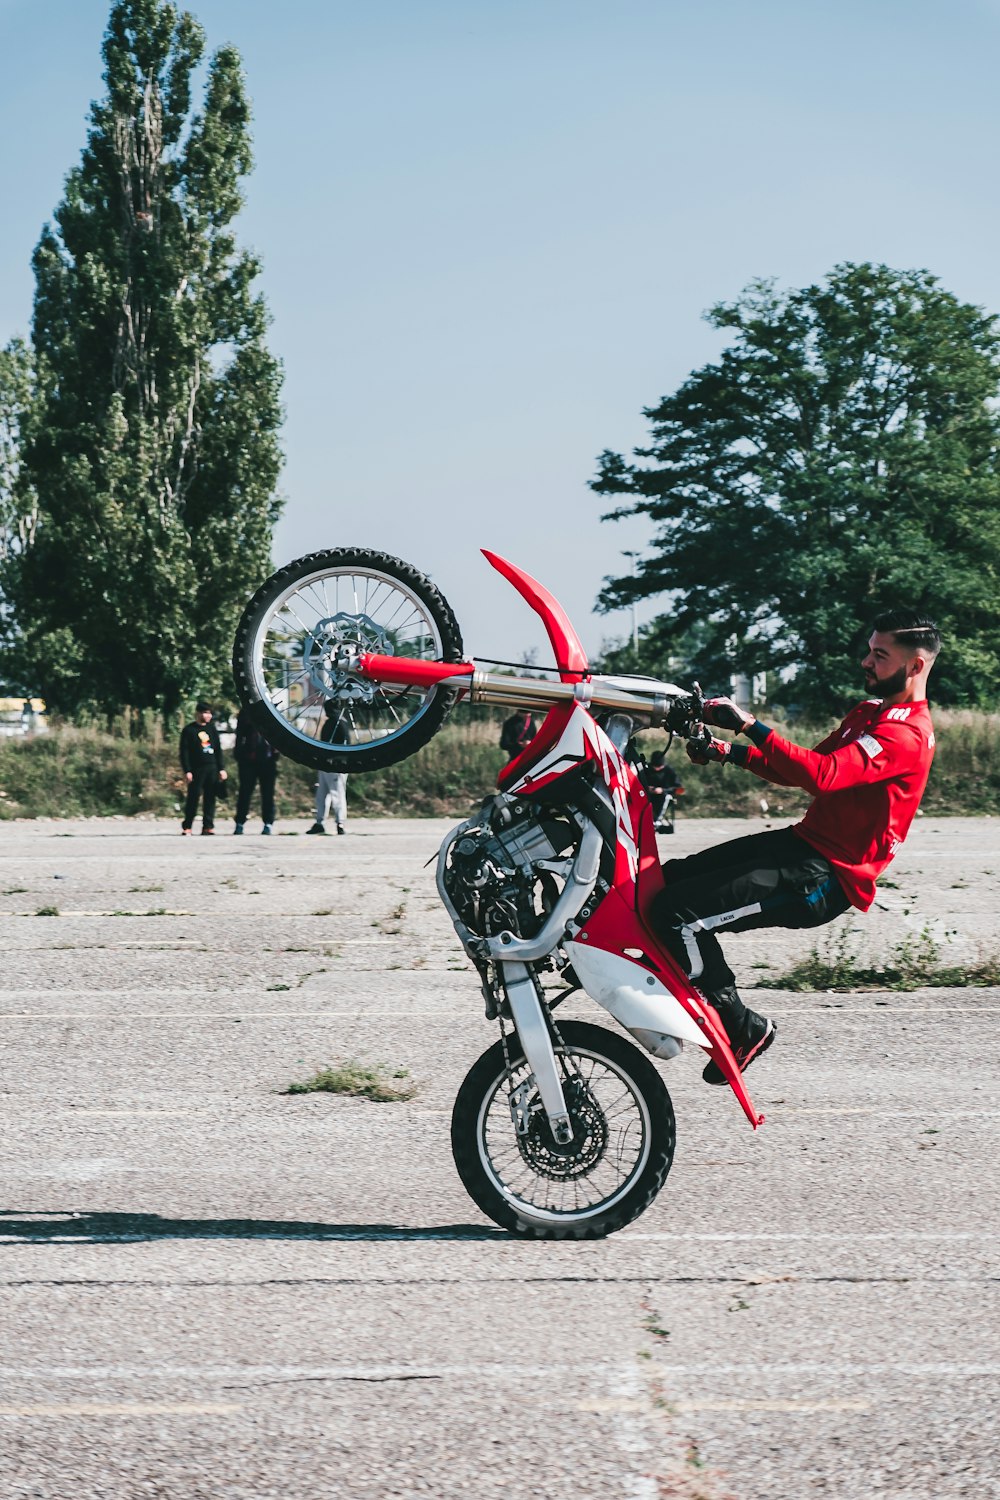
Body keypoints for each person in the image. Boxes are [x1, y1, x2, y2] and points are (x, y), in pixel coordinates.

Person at [652, 610, 940, 1085]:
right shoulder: (871, 713)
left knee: (675, 913)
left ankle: (743, 1029)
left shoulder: (905, 735)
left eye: (880, 655)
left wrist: (748, 724)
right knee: (670, 878)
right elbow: (804, 768)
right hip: (801, 845)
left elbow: (823, 777)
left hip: (825, 878)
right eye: (869, 649)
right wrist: (726, 751)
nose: (867, 661)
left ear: (914, 667)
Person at [180, 701, 227, 836]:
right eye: (206, 713)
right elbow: (184, 752)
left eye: (210, 713)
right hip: (196, 768)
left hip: (212, 767)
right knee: (193, 798)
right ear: (198, 713)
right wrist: (187, 770)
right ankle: (187, 826)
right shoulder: (189, 730)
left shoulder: (212, 729)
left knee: (210, 798)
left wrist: (221, 769)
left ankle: (208, 826)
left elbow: (218, 750)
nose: (208, 716)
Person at [233, 710, 279, 835]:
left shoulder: (271, 711)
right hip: (249, 759)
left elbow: (277, 734)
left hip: (267, 759)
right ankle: (240, 823)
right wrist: (239, 754)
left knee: (268, 793)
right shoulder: (246, 713)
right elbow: (239, 735)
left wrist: (276, 753)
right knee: (245, 792)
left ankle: (268, 823)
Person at [307, 702, 350, 835]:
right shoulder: (338, 721)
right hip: (328, 764)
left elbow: (345, 744)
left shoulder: (337, 723)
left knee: (335, 793)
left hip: (335, 765)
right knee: (323, 794)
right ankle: (322, 822)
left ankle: (339, 822)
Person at [646, 750, 681, 832]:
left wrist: (663, 790)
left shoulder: (669, 771)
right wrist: (648, 788)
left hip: (664, 797)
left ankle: (656, 822)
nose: (657, 769)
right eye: (655, 767)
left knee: (667, 797)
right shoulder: (646, 770)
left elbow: (679, 789)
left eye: (659, 767)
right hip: (648, 796)